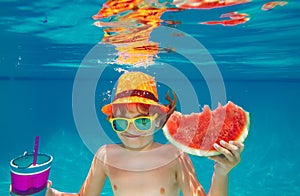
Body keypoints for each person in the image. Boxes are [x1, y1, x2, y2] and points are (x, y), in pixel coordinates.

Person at [47, 71, 244, 196]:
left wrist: (221, 172)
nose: (131, 130)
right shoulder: (105, 155)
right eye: (121, 122)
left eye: (142, 121)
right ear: (112, 122)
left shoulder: (174, 156)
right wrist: (51, 194)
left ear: (158, 121)